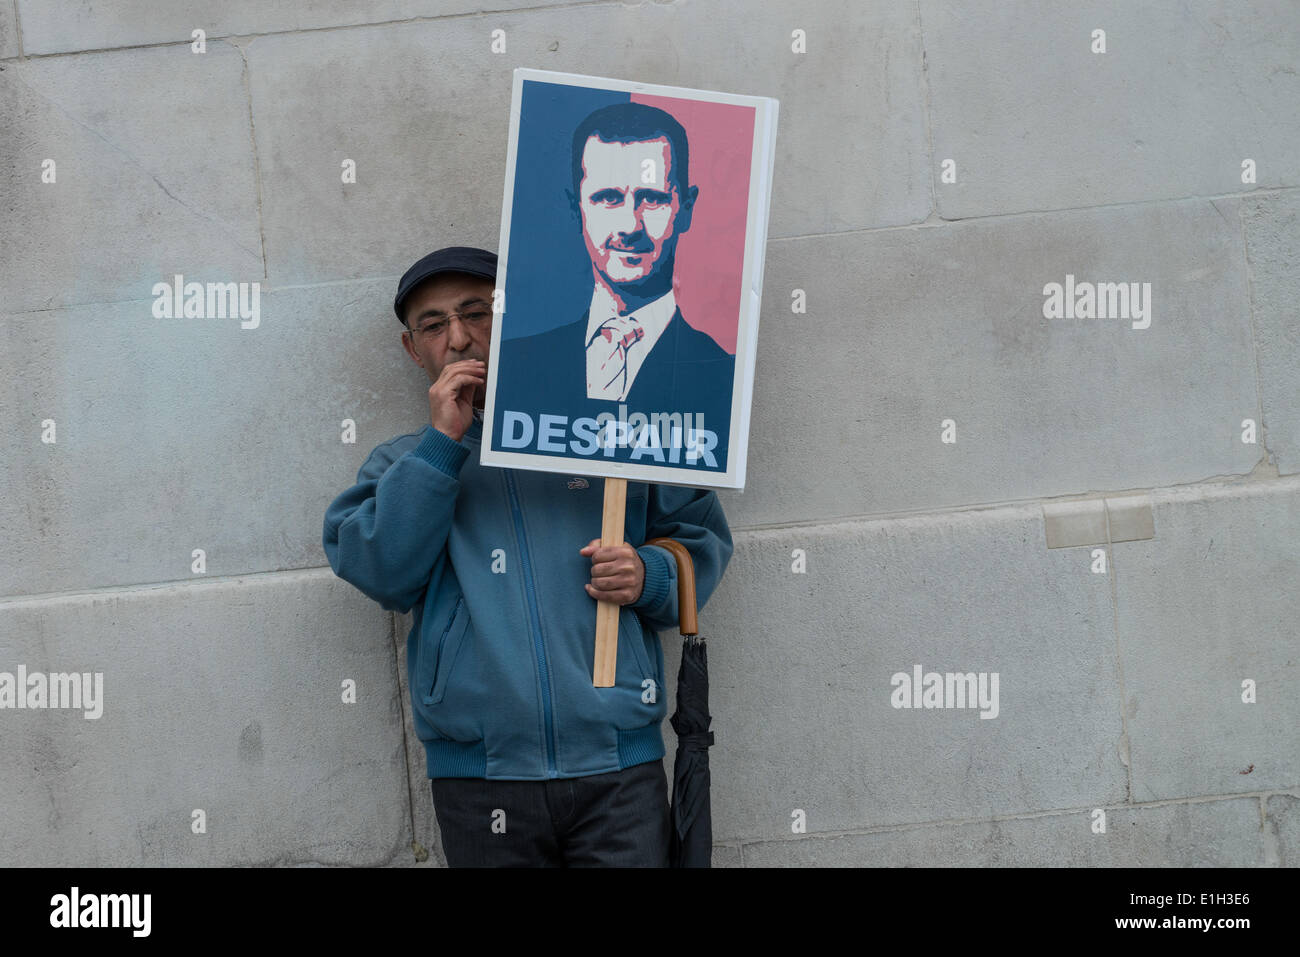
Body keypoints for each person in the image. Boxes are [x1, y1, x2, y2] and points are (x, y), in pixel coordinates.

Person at [322, 245, 734, 867]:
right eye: (433, 326)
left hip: (618, 769)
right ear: (415, 351)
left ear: (515, 316)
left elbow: (700, 542)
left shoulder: (614, 432)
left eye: (476, 313)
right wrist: (442, 447)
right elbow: (382, 571)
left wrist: (646, 575)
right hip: (480, 780)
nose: (458, 338)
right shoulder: (404, 462)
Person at [493, 102, 735, 471]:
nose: (630, 225)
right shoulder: (513, 367)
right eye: (608, 198)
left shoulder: (723, 378)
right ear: (576, 209)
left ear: (685, 208)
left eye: (652, 199)